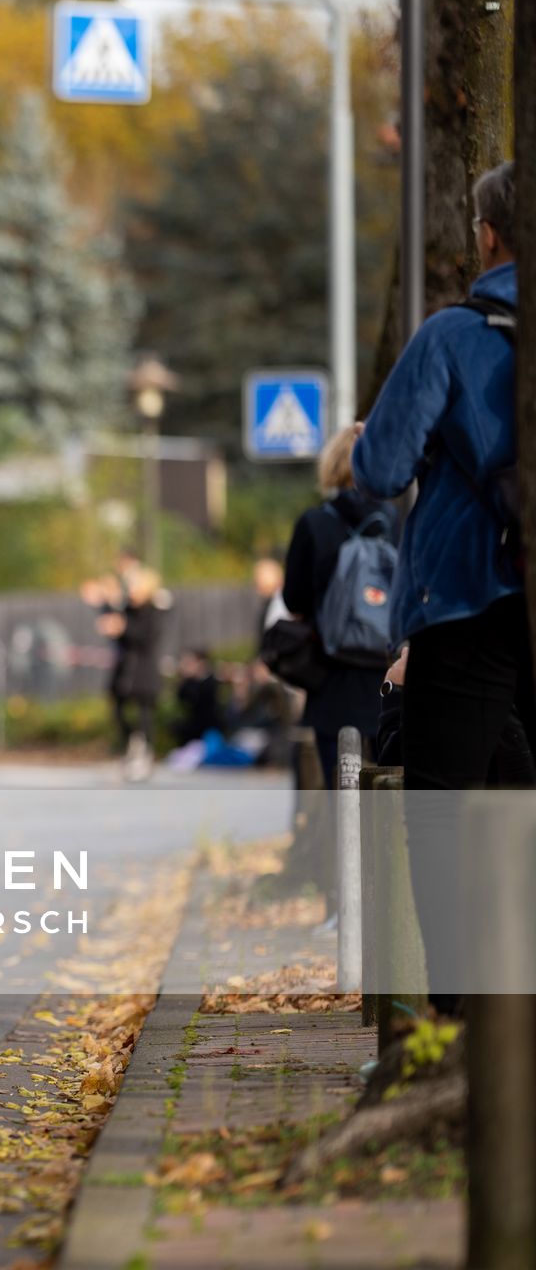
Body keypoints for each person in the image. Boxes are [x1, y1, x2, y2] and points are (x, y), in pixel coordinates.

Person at [353, 159, 529, 1009]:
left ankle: (461, 1029)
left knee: (440, 808)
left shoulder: (454, 336)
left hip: (472, 593)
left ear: (488, 234)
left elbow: (380, 467)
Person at [279, 426, 397, 780]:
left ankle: (343, 837)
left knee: (337, 783)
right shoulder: (397, 522)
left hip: (330, 677)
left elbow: (293, 598)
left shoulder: (314, 523)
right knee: (391, 784)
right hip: (386, 676)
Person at [96, 565, 166, 780]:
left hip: (144, 671)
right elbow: (118, 631)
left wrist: (124, 628)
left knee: (144, 714)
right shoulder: (126, 609)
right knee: (119, 709)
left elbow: (146, 637)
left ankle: (144, 752)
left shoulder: (154, 610)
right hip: (125, 670)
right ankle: (130, 746)